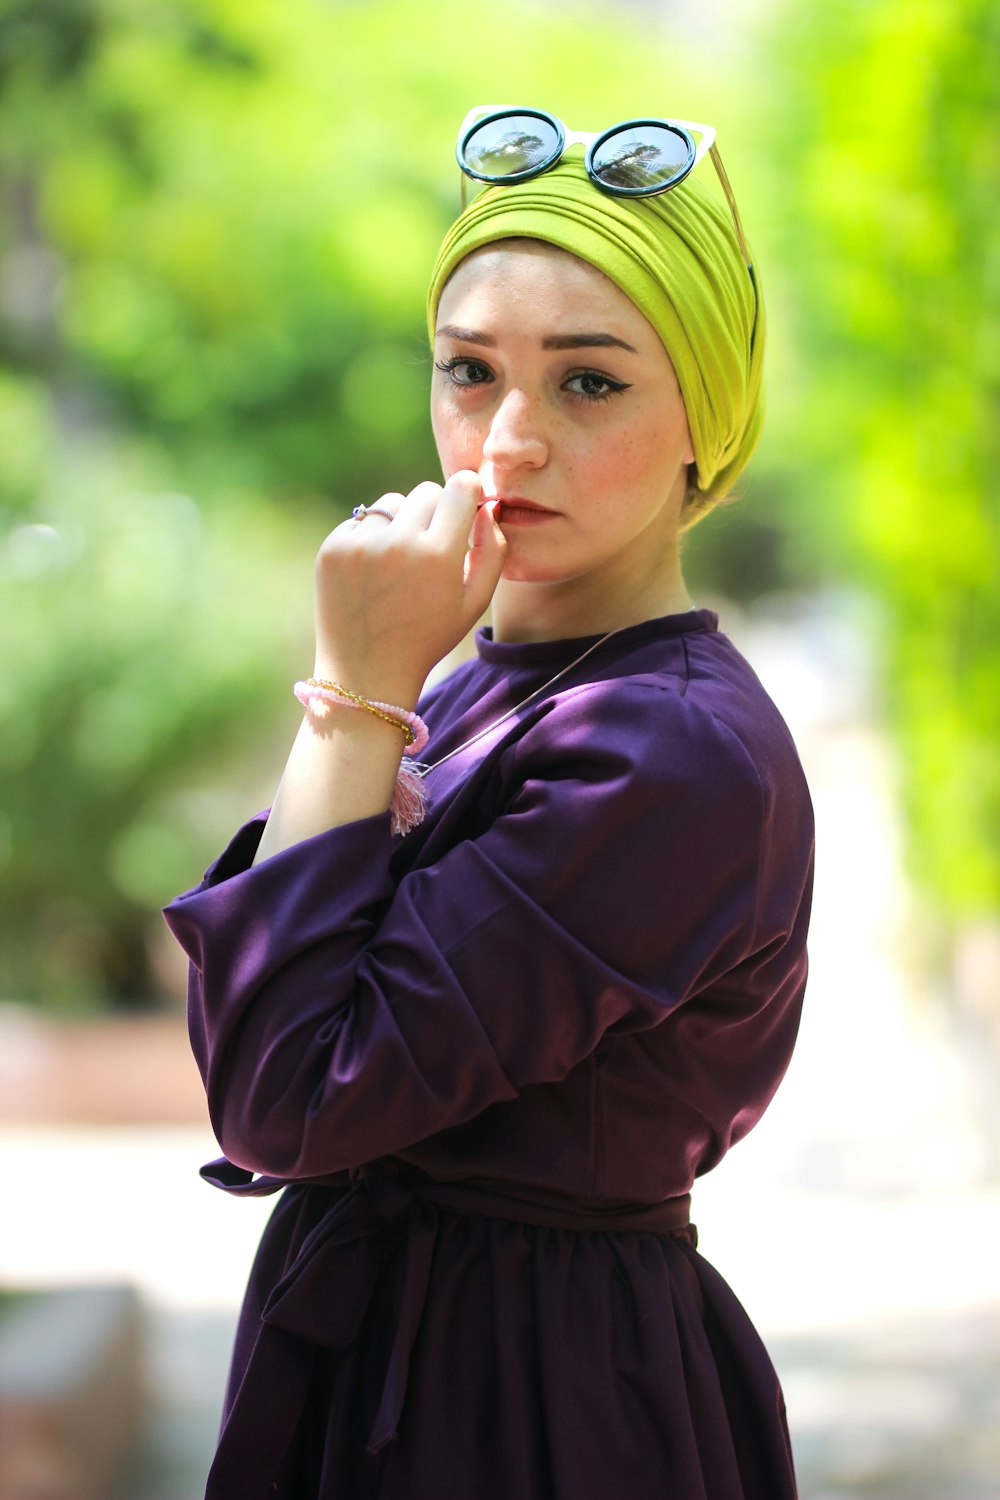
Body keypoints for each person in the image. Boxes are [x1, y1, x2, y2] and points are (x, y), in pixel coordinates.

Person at [164, 107, 814, 1500]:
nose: (506, 443)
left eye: (590, 384)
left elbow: (284, 1095)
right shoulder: (490, 681)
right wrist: (379, 690)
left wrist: (352, 692)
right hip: (424, 1350)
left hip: (524, 1401)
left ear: (708, 412)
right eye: (470, 372)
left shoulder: (663, 754)